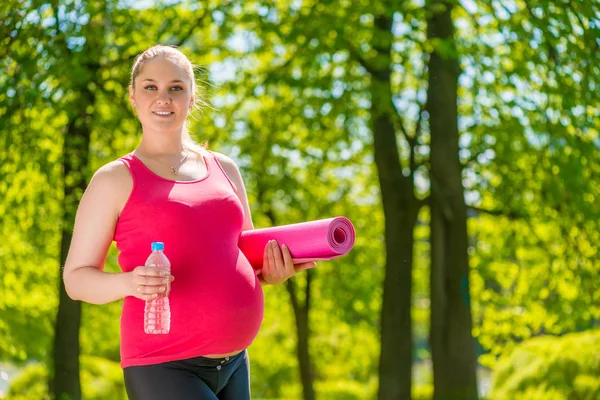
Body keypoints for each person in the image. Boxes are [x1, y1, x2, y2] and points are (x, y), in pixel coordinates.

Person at [63, 44, 316, 400]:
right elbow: (76, 279)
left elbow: (247, 254)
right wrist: (130, 282)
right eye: (150, 86)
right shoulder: (115, 179)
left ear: (192, 97)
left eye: (175, 87)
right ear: (132, 97)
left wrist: (272, 272)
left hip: (235, 362)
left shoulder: (225, 168)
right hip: (163, 364)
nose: (163, 97)